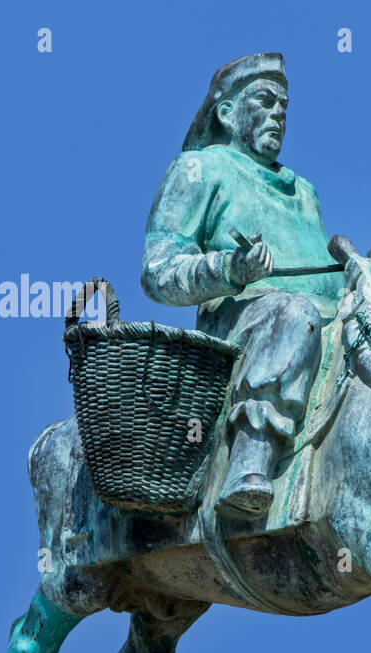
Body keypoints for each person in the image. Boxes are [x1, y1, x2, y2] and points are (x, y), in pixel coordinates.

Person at [142, 53, 343, 515]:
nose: (278, 113)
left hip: (323, 330)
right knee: (292, 312)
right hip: (241, 335)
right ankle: (250, 459)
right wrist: (231, 269)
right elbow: (158, 271)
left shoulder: (304, 192)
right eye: (265, 101)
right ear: (227, 113)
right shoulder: (200, 169)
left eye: (284, 106)